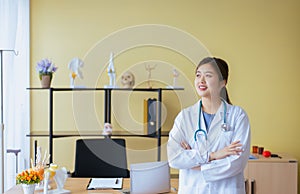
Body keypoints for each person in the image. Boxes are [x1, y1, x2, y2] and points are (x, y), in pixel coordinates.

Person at [167, 57, 251, 194]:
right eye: (198, 75)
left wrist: (195, 164)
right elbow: (174, 158)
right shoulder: (185, 117)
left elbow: (237, 163)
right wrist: (213, 155)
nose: (201, 80)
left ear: (223, 82)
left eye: (208, 75)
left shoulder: (237, 116)